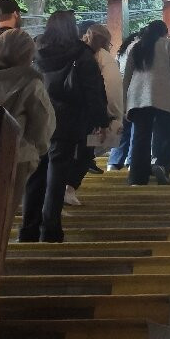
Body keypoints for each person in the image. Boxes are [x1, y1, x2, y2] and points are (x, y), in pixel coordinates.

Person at [20, 10, 109, 242]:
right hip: (68, 121)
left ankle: (28, 229)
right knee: (57, 175)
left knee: (36, 175)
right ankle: (51, 229)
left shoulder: (36, 51)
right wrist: (101, 122)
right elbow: (93, 92)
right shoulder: (81, 54)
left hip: (38, 119)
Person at [0, 29, 55, 206]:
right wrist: (36, 150)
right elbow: (43, 126)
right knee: (3, 211)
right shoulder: (31, 84)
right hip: (16, 156)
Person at [123, 20, 170, 185]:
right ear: (165, 32)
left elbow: (127, 75)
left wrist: (124, 103)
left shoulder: (136, 46)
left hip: (138, 98)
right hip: (164, 97)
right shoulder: (169, 44)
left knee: (140, 138)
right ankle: (162, 165)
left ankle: (137, 178)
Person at [65, 24, 123, 204]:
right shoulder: (102, 59)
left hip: (65, 111)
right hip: (89, 115)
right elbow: (110, 90)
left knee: (66, 152)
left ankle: (55, 190)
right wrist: (110, 117)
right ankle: (69, 188)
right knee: (85, 152)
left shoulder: (67, 53)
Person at [107, 29, 141, 171]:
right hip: (135, 91)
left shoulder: (121, 51)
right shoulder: (140, 47)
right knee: (135, 128)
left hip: (120, 90)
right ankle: (131, 161)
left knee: (122, 127)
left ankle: (114, 161)